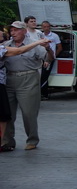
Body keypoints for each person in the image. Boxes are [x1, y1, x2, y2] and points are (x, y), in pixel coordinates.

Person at [1, 21, 48, 151]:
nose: (13, 33)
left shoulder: (34, 43)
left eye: (16, 30)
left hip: (29, 78)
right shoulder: (6, 45)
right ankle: (7, 141)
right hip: (9, 78)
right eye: (11, 31)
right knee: (8, 113)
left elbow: (48, 57)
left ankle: (32, 139)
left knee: (28, 112)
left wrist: (48, 49)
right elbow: (17, 52)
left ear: (24, 31)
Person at [39, 21, 62, 100]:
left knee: (45, 76)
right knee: (39, 75)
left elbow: (59, 47)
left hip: (49, 58)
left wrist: (54, 55)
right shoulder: (40, 35)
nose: (46, 28)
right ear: (42, 27)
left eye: (48, 26)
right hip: (41, 57)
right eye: (44, 27)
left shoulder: (54, 36)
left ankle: (44, 94)